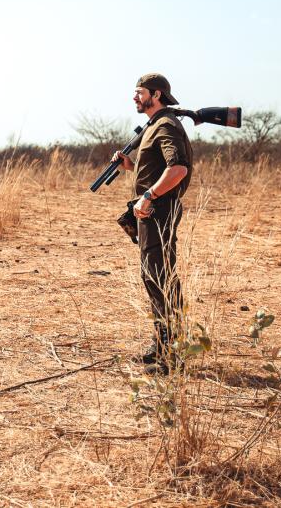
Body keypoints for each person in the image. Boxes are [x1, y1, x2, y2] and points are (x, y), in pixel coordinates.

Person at [113, 73, 193, 371]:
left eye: (139, 92)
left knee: (160, 278)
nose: (135, 97)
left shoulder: (166, 125)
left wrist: (148, 195)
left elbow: (179, 169)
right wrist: (131, 167)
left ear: (156, 95)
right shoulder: (155, 126)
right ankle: (161, 345)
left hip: (158, 209)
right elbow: (159, 169)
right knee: (154, 276)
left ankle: (172, 356)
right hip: (151, 209)